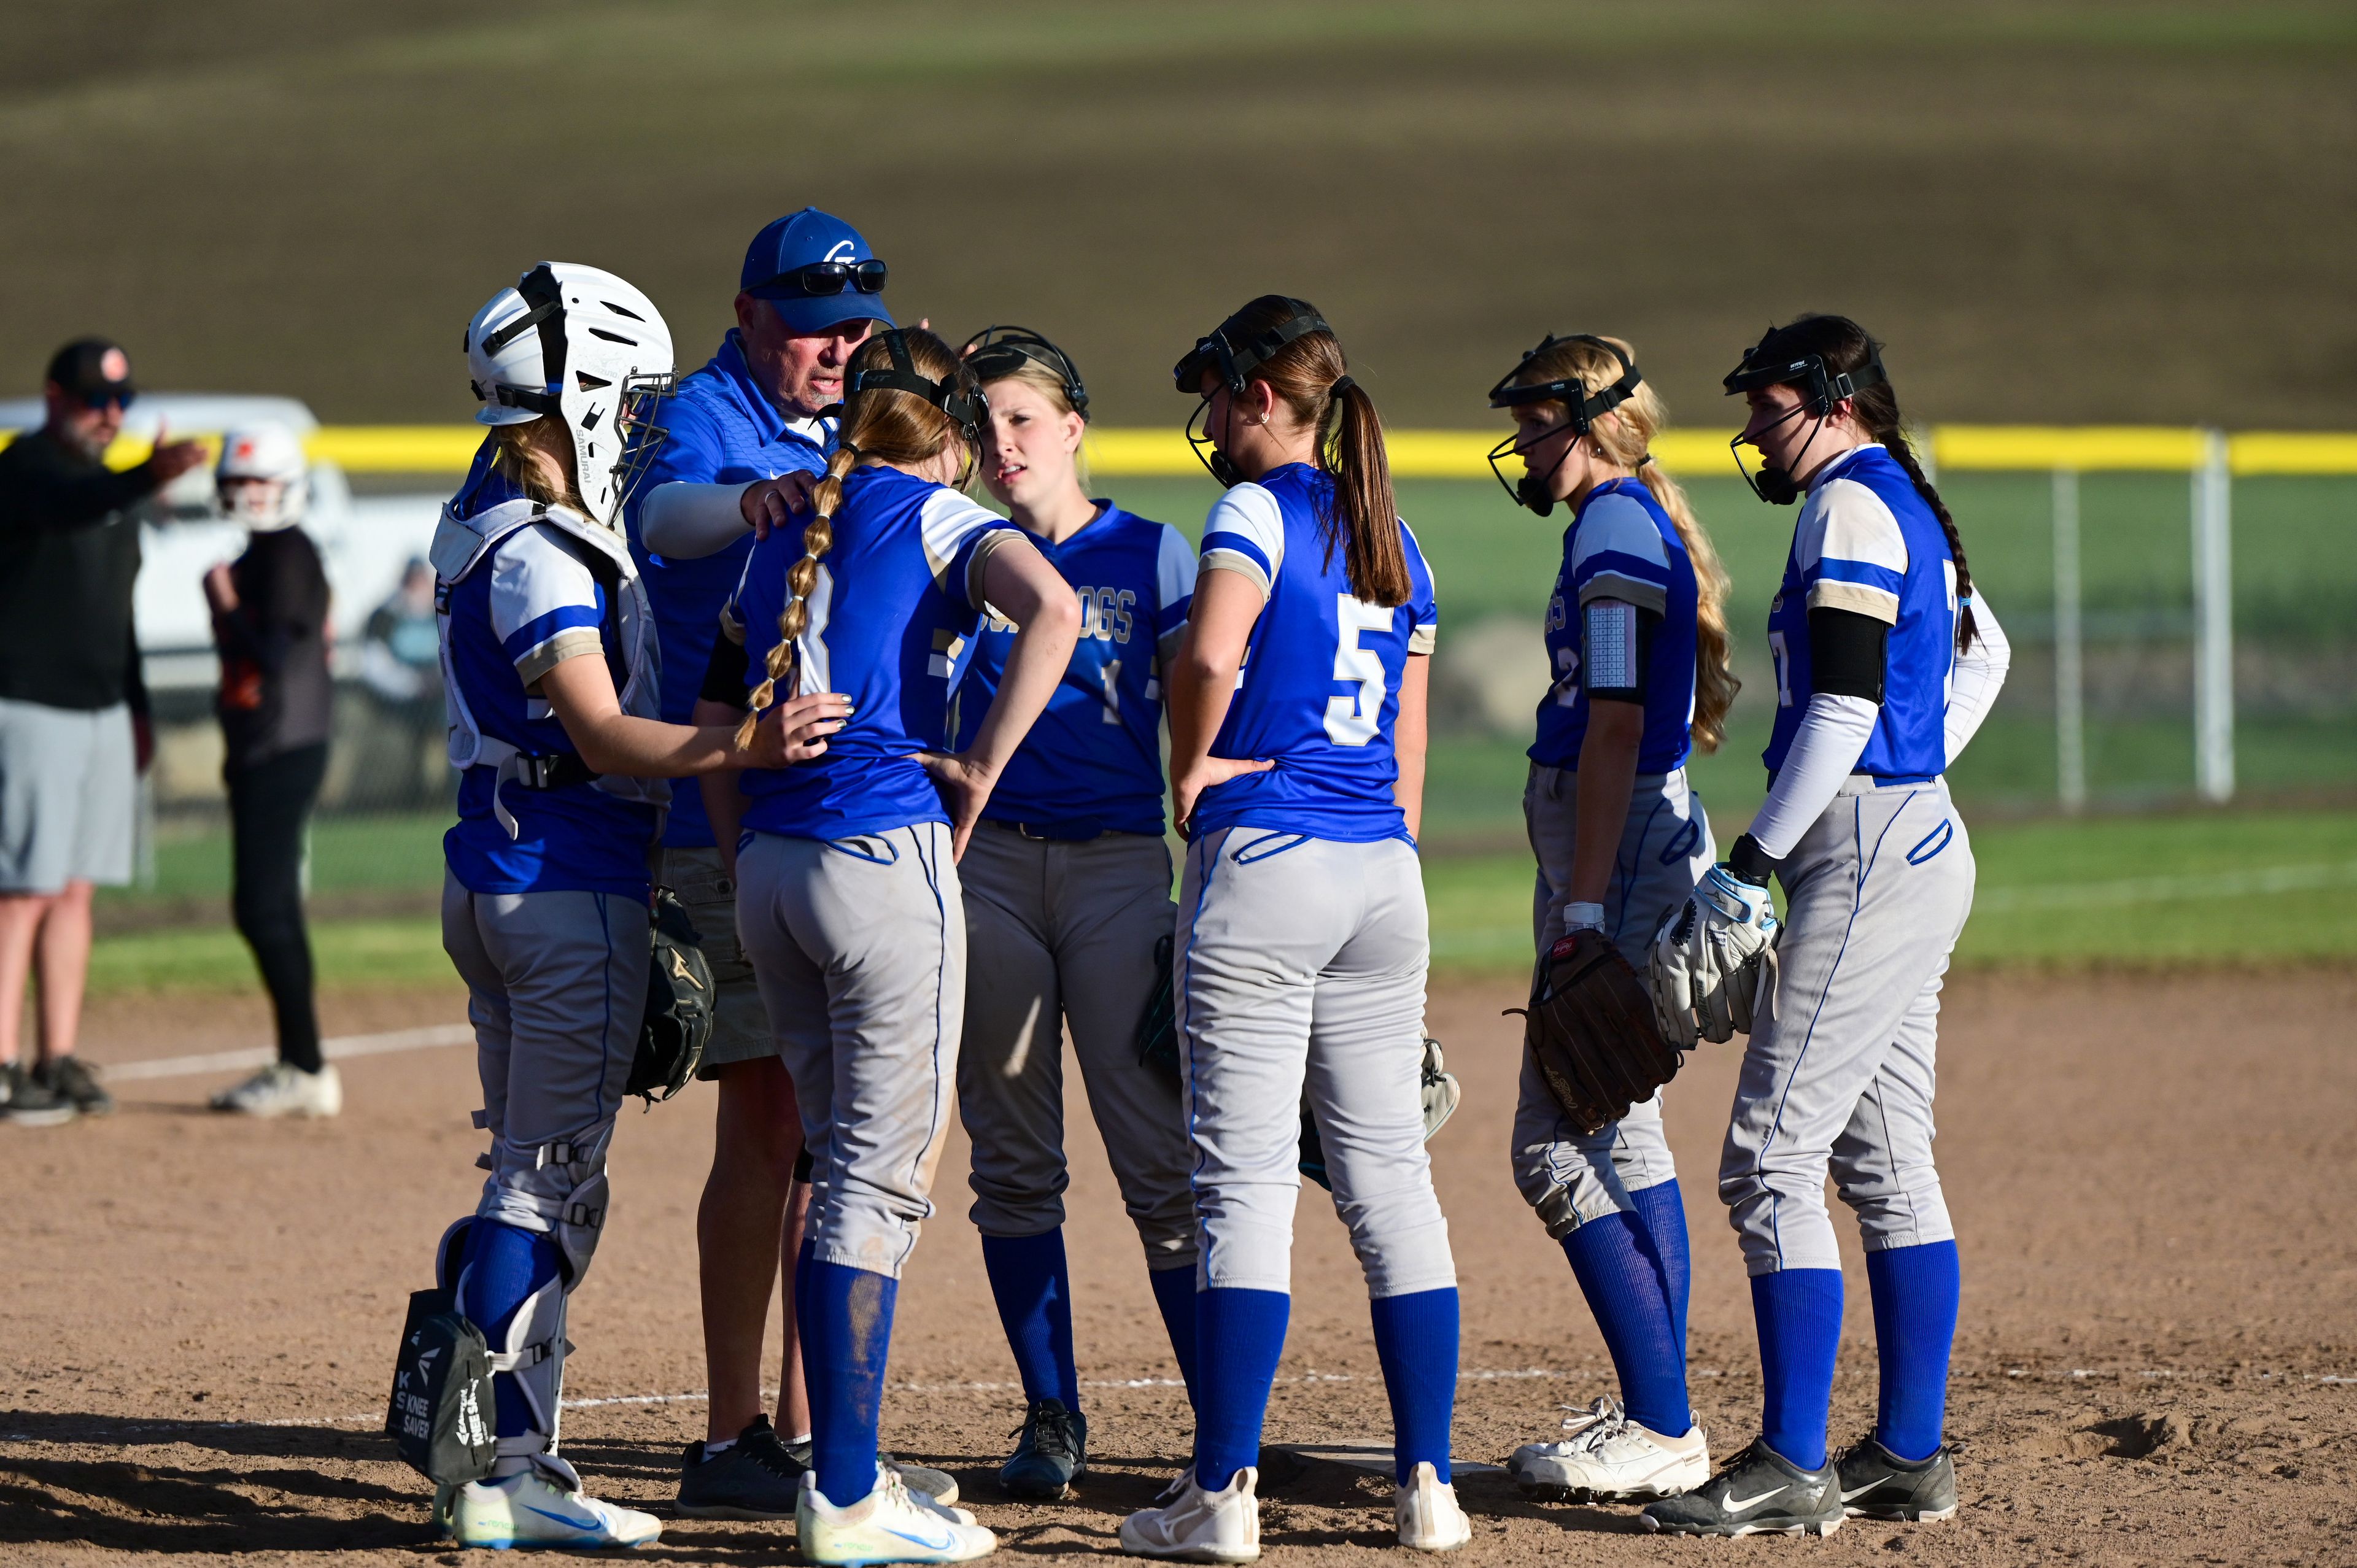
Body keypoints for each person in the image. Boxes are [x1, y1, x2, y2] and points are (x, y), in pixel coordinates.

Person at [421, 261, 830, 1551]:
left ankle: (486, 1445)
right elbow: (600, 734)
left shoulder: (482, 510)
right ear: (583, 388)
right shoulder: (543, 547)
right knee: (549, 1188)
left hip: (499, 874)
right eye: (630, 392)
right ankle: (507, 1461)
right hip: (561, 881)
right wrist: (747, 749)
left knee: (520, 1180)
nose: (645, 414)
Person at [694, 326, 1078, 1564]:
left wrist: (742, 844)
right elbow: (1057, 607)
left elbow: (715, 714)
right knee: (879, 1172)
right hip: (877, 856)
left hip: (772, 868)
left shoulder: (781, 526)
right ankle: (850, 1492)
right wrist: (979, 766)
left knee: (832, 1157)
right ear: (953, 430)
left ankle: (838, 1465)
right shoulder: (930, 509)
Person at [1641, 316, 2010, 1538]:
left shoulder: (1850, 503)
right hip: (1909, 836)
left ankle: (1795, 1460)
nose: (1753, 425)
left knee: (1769, 1161)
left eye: (1772, 403)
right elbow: (1984, 653)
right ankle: (1906, 1454)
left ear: (1840, 403)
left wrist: (1755, 859)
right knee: (1888, 1165)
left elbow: (1845, 703)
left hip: (1863, 852)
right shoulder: (1901, 494)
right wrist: (1916, 777)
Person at [1118, 297, 1471, 1561]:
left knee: (1245, 1186)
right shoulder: (1397, 533)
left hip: (1269, 861)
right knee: (1392, 1182)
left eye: (1216, 395)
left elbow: (1208, 656)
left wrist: (1193, 768)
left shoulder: (1252, 510)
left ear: (1263, 395)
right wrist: (1389, 837)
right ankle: (1428, 1484)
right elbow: (1411, 736)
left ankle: (1222, 1496)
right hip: (1383, 870)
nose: (1210, 421)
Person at [624, 208, 923, 1518]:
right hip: (727, 814)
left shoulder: (864, 410)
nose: (836, 343)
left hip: (846, 817)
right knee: (770, 1125)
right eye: (811, 321)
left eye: (855, 323)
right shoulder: (712, 410)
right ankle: (736, 1423)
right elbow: (666, 512)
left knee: (832, 1136)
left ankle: (814, 1425)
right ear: (751, 315)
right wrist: (750, 496)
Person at [1482, 334, 1740, 1507]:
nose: (1522, 444)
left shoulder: (1617, 530)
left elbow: (1623, 729)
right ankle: (1656, 1415)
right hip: (1619, 843)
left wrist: (1585, 905)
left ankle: (1666, 1425)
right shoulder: (1623, 524)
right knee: (1625, 1135)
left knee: (1551, 1144)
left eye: (1536, 421)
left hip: (1620, 850)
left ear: (1584, 425)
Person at [944, 326, 1201, 1499]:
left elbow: (1211, 712)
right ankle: (1054, 1416)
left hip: (1113, 872)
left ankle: (1222, 1421)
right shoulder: (955, 555)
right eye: (982, 422)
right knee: (1012, 1158)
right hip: (987, 865)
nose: (1002, 444)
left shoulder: (1155, 554)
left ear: (1074, 427)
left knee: (1160, 1161)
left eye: (1022, 420)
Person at [0, 337, 206, 1125]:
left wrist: (139, 706)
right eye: (95, 400)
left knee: (76, 888)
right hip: (29, 703)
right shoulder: (25, 471)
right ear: (55, 398)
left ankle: (55, 1056)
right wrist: (144, 478)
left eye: (120, 401)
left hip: (101, 709)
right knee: (22, 890)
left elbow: (115, 617)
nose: (111, 414)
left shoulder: (113, 497)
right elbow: (65, 504)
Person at [203, 425, 342, 1118]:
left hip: (283, 744)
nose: (245, 494)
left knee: (263, 905)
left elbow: (279, 652)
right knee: (268, 904)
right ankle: (301, 1061)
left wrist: (225, 605)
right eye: (237, 482)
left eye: (257, 482)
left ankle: (306, 1065)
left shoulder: (286, 552)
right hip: (267, 744)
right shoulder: (264, 551)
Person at [360, 558, 446, 801]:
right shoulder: (385, 616)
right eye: (413, 581)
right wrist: (414, 685)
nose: (418, 587)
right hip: (396, 705)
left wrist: (437, 682)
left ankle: (440, 796)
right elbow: (375, 667)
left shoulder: (443, 611)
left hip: (441, 699)